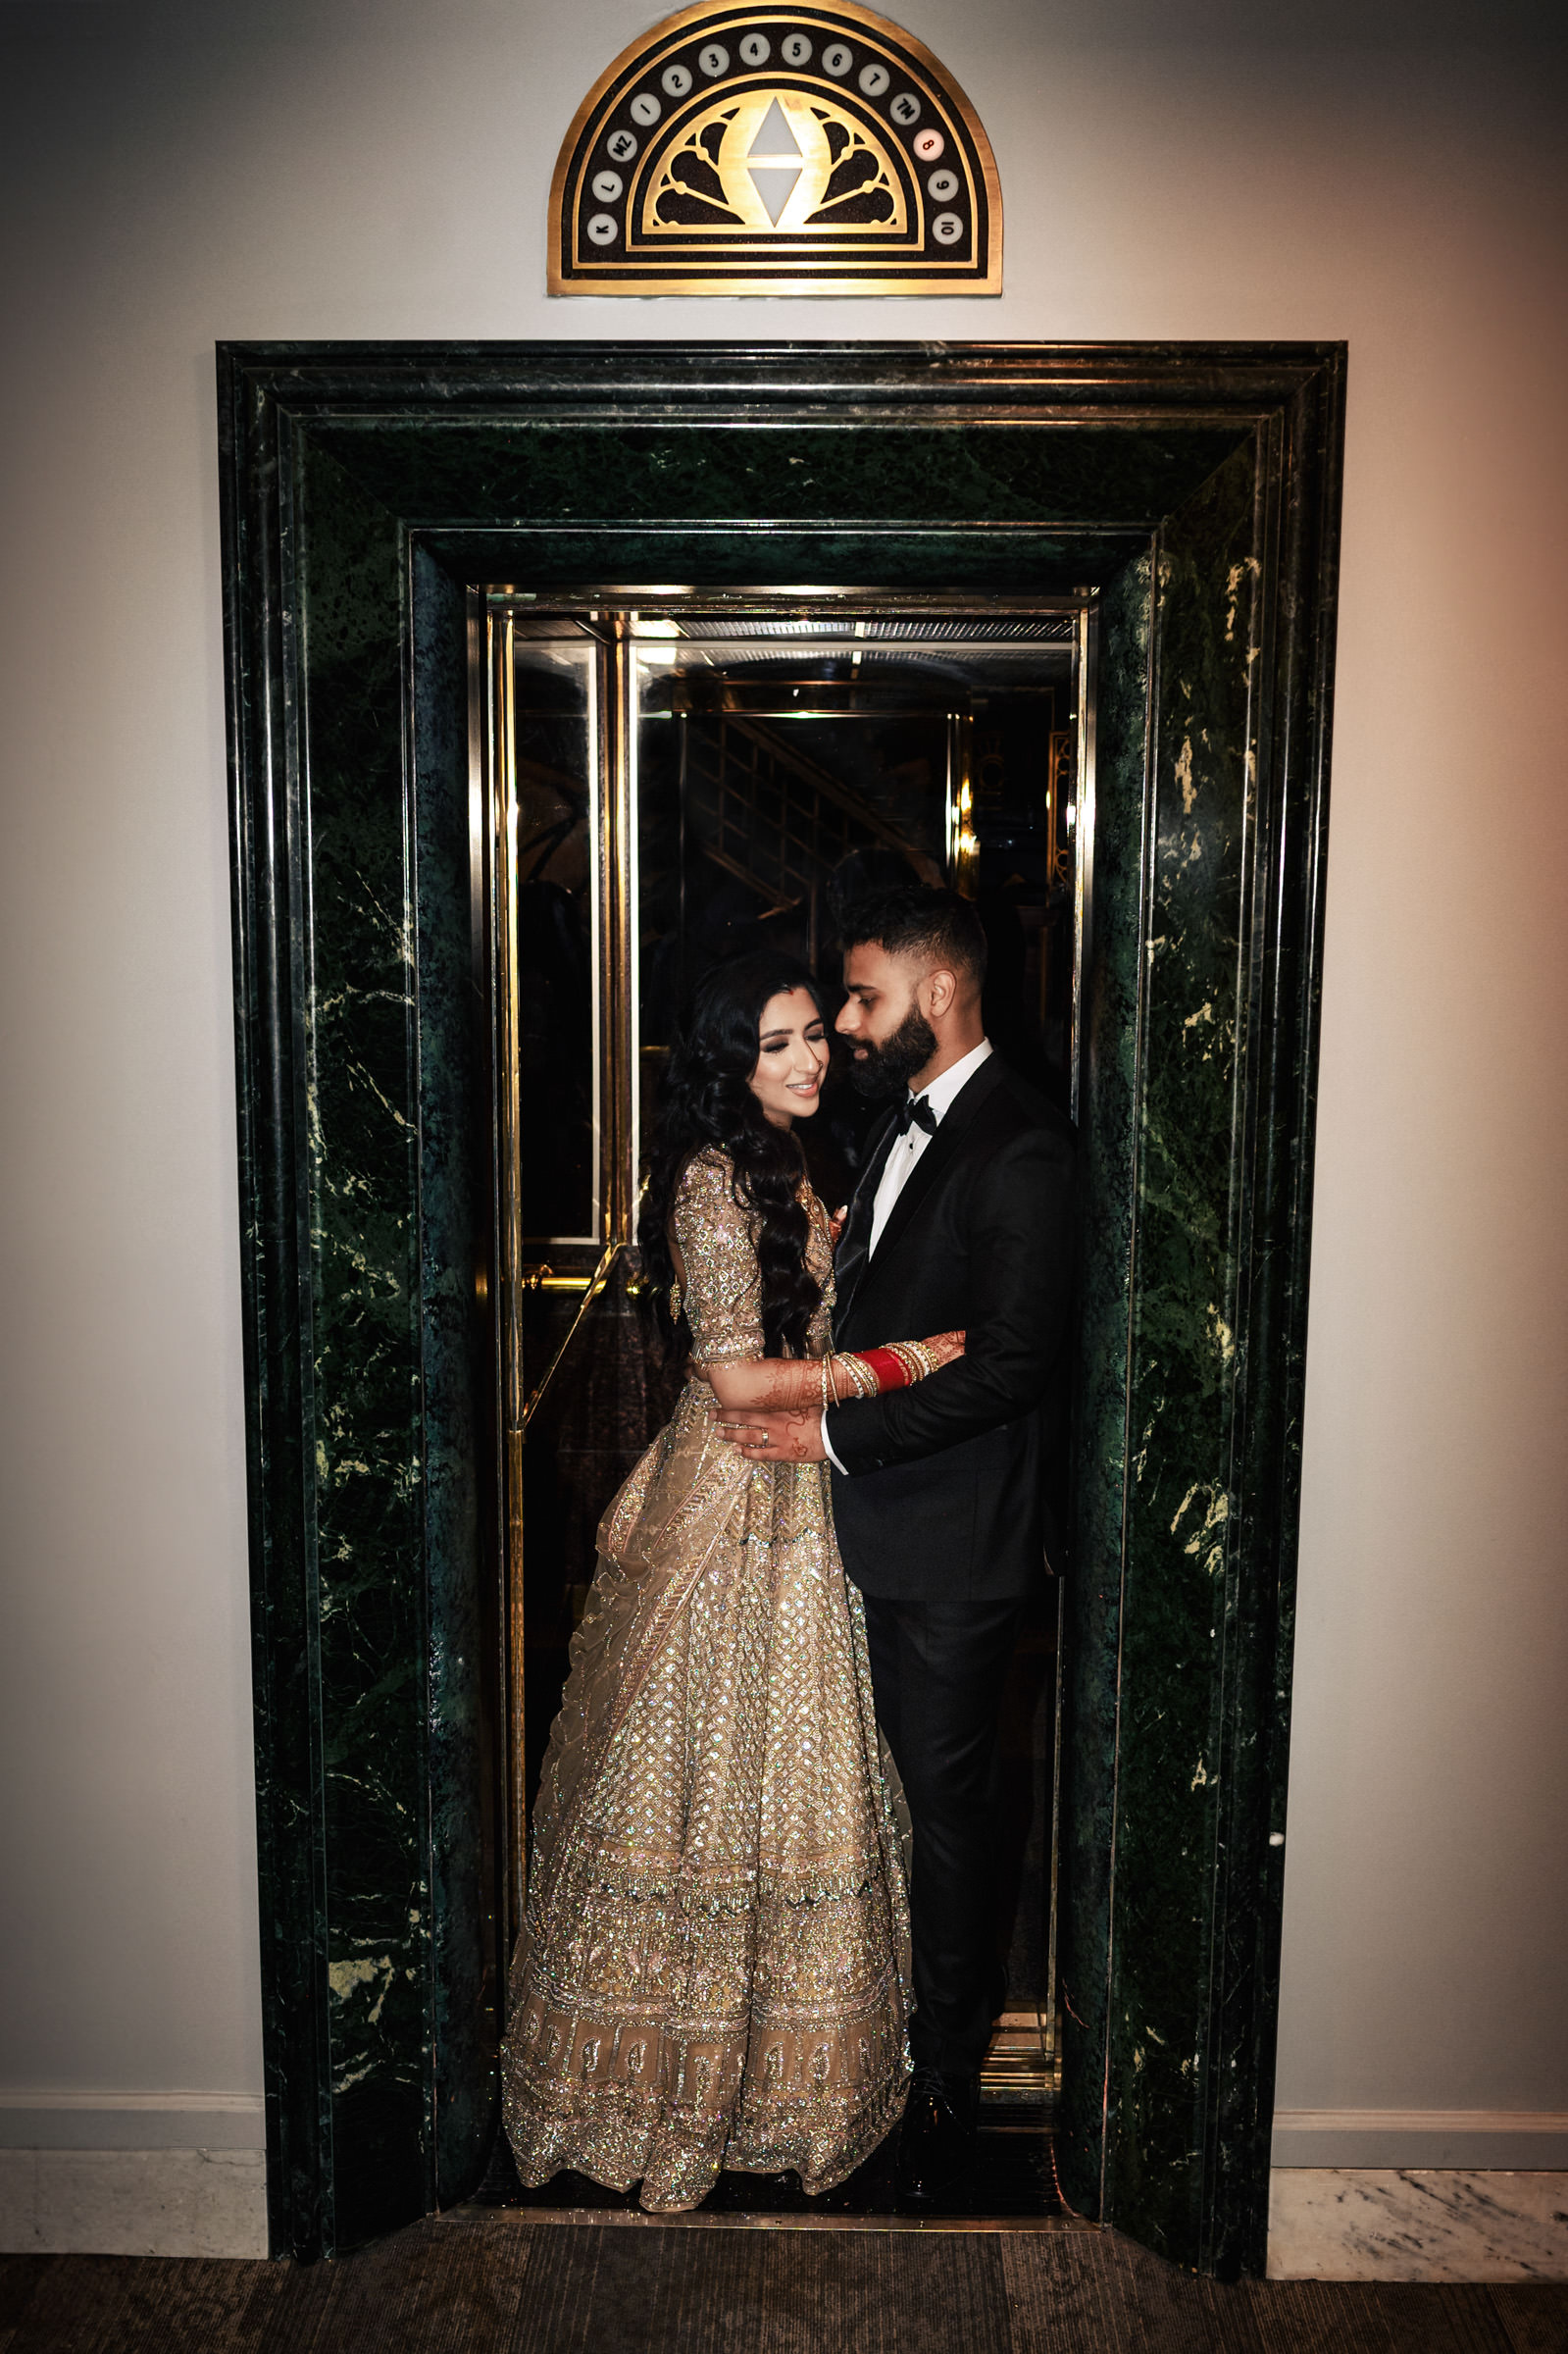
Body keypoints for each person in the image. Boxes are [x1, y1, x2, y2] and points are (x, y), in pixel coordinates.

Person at [501, 949, 966, 2213]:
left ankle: (788, 2080)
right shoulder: (712, 1179)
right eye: (778, 1043)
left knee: (801, 1773)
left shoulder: (795, 1155)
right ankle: (666, 2089)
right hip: (735, 1492)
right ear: (729, 1061)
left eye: (815, 1033)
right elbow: (737, 1380)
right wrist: (908, 1362)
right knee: (702, 1773)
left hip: (802, 1480)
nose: (811, 1057)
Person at [719, 888, 1077, 2203]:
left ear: (937, 992)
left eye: (864, 998)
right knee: (889, 1803)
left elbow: (1015, 1367)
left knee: (948, 1813)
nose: (848, 1025)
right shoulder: (892, 1120)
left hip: (949, 1546)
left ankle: (946, 2084)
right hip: (863, 1530)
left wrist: (828, 1436)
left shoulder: (1023, 1143)